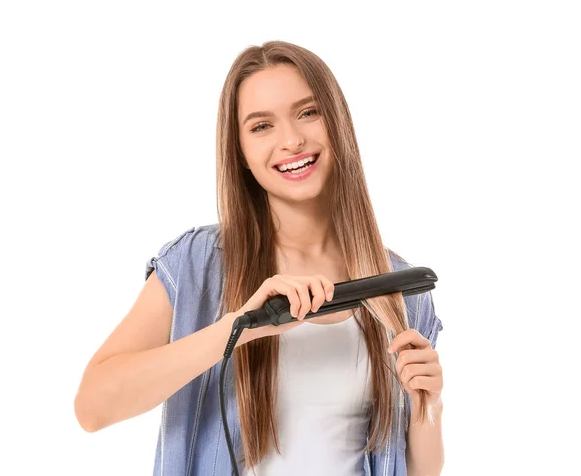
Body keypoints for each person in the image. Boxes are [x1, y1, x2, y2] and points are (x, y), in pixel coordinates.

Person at [74, 40, 444, 476]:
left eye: (308, 112)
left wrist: (428, 408)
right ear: (242, 154)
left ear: (338, 122)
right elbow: (93, 408)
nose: (291, 140)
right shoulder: (198, 265)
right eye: (261, 126)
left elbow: (420, 469)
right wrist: (239, 328)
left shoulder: (398, 288)